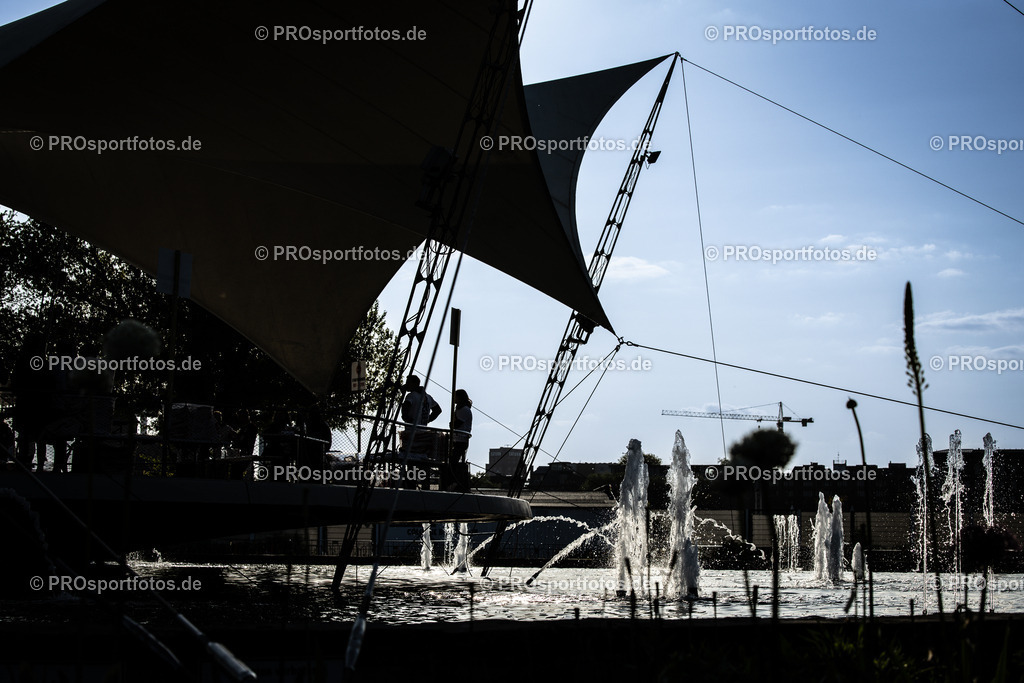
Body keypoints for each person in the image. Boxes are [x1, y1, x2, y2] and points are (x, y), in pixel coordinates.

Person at [447, 389, 472, 491]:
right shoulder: (460, 409)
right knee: (454, 462)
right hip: (458, 439)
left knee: (454, 462)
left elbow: (456, 424)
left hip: (461, 440)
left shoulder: (464, 410)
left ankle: (455, 483)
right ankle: (455, 482)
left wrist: (452, 422)